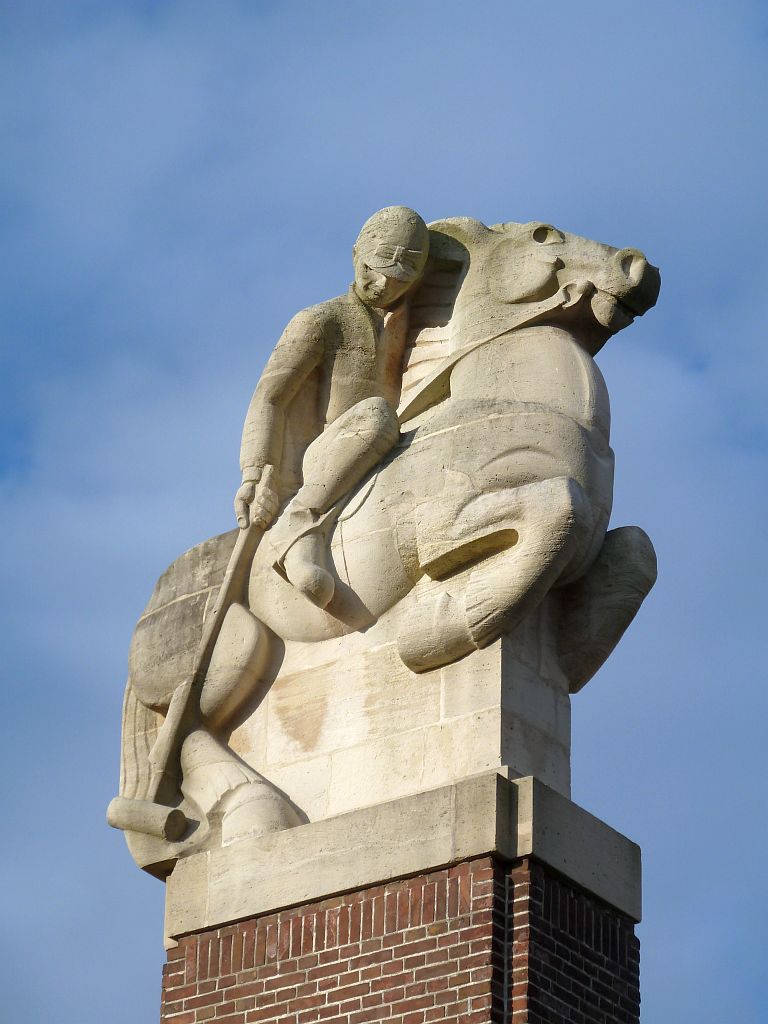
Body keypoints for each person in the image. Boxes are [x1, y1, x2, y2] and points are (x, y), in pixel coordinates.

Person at [234, 206, 430, 608]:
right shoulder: (322, 320)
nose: (381, 285)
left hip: (392, 446)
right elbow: (270, 396)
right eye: (373, 270)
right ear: (358, 254)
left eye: (397, 279)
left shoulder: (420, 323)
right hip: (326, 457)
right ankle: (300, 525)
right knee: (376, 415)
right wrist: (256, 473)